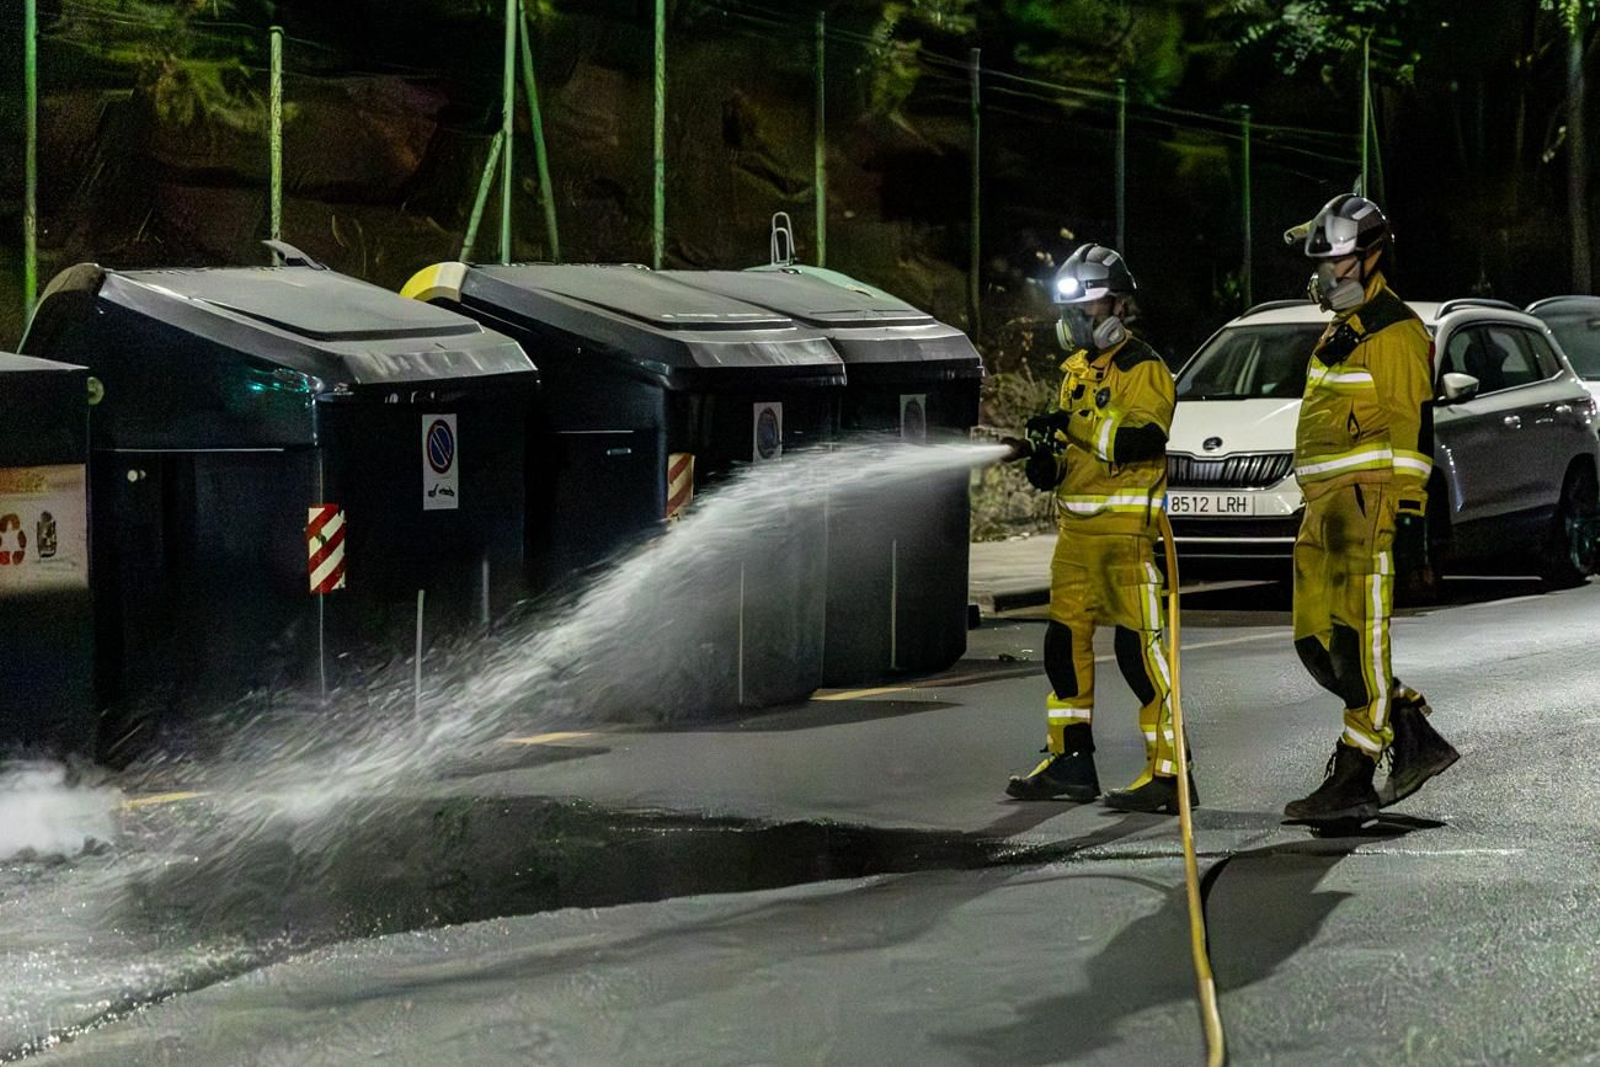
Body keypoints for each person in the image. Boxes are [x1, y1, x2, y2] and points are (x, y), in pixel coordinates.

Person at [1280, 194, 1461, 823]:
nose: (1328, 276)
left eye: (1339, 263)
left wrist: (1410, 522)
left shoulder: (1395, 331)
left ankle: (1357, 771)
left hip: (1368, 510)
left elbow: (1413, 433)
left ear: (1372, 257)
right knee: (1314, 642)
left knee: (1357, 642)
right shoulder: (1342, 329)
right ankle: (1409, 727)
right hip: (1322, 514)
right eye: (1322, 264)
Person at [1003, 243, 1194, 814]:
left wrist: (1073, 425)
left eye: (1084, 313)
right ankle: (1070, 761)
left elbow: (1141, 440)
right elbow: (1075, 451)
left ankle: (1169, 773)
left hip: (1128, 540)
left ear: (1116, 306)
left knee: (1140, 658)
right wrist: (1049, 464)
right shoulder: (1076, 373)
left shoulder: (1146, 370)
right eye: (1070, 315)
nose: (1075, 325)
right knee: (1062, 648)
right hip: (1077, 540)